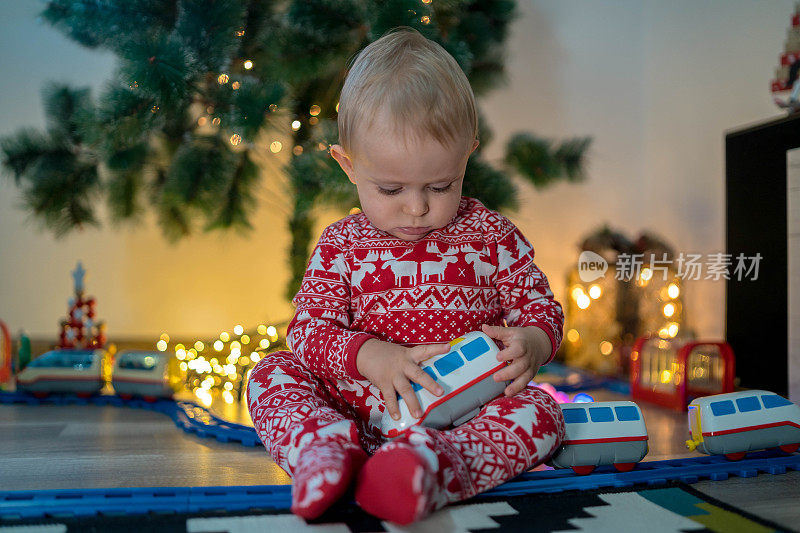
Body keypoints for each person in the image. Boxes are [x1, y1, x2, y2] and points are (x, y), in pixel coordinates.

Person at [247, 26, 566, 525]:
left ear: (468, 154)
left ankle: (430, 468)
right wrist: (370, 356)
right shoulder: (341, 246)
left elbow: (540, 306)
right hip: (355, 405)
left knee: (544, 414)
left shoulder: (493, 235)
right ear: (348, 165)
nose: (417, 208)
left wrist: (533, 341)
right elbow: (307, 332)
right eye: (391, 189)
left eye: (441, 185)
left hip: (463, 412)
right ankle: (323, 453)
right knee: (270, 374)